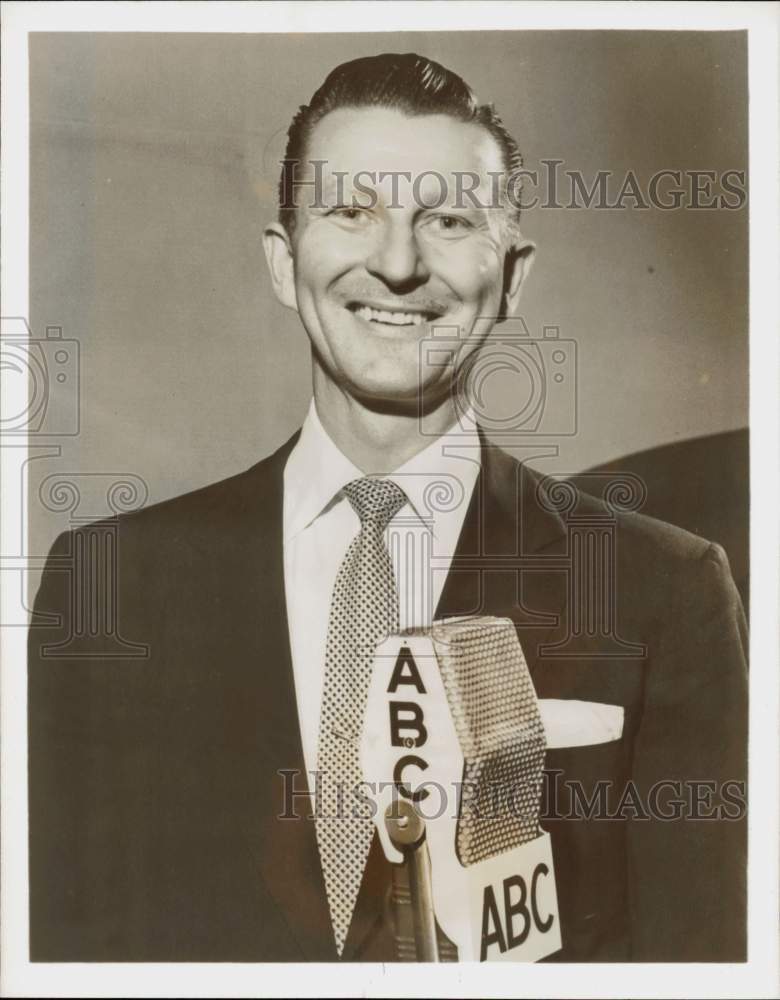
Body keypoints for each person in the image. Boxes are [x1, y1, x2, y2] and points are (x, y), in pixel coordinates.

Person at [27, 52, 747, 963]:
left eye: (447, 219)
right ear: (285, 263)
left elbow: (701, 964)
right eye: (350, 211)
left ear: (514, 275)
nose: (398, 263)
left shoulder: (663, 590)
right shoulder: (109, 580)